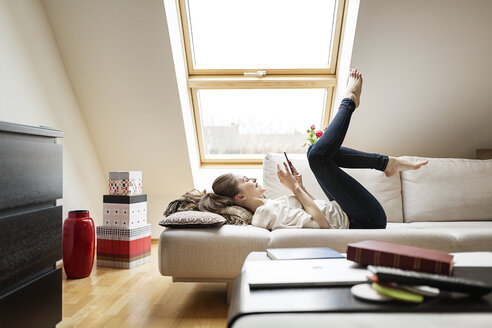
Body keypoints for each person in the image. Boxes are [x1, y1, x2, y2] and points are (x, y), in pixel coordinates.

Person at [198, 69, 428, 230]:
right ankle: (349, 102)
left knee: (317, 154)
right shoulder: (263, 215)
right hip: (364, 221)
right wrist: (295, 188)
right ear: (240, 196)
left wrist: (300, 186)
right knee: (317, 155)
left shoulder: (268, 204)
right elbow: (323, 225)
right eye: (244, 179)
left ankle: (387, 164)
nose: (250, 177)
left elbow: (312, 209)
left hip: (347, 211)